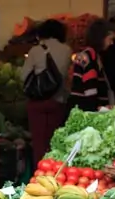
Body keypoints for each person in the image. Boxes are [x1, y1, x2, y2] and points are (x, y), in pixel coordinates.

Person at [22, 19, 72, 164]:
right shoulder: (67, 50)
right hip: (58, 101)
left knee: (39, 143)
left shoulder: (35, 50)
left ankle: (40, 172)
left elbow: (23, 76)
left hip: (37, 103)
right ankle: (54, 172)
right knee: (55, 142)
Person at [68, 19, 115, 112]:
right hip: (85, 110)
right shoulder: (88, 57)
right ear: (101, 38)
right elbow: (90, 90)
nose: (111, 43)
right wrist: (97, 109)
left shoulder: (94, 56)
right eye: (110, 39)